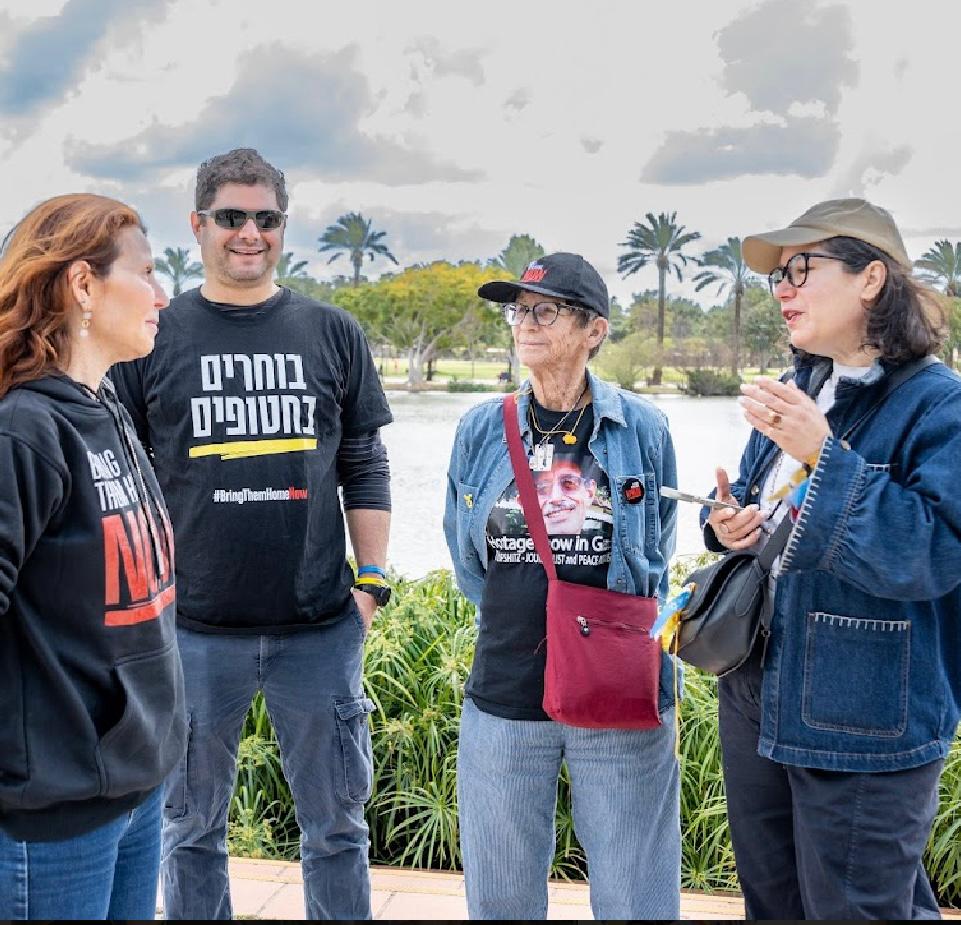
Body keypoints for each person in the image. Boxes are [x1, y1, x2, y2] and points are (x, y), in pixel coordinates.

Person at [111, 148, 394, 920]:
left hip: (319, 631)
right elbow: (123, 479)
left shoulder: (330, 331)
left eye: (265, 219)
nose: (249, 233)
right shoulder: (152, 336)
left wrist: (369, 583)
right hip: (193, 632)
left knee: (336, 828)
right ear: (198, 225)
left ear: (282, 228)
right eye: (232, 217)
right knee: (190, 827)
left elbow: (365, 464)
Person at [703, 198, 961, 919]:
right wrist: (728, 524)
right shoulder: (798, 392)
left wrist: (822, 453)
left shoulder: (939, 407)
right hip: (757, 693)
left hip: (866, 711)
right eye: (777, 276)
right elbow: (770, 516)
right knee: (773, 906)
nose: (782, 288)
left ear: (870, 277)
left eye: (801, 269)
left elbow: (933, 552)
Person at [443, 252, 680, 919]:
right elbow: (467, 556)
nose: (525, 323)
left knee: (635, 895)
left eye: (545, 310)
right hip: (506, 687)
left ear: (593, 330)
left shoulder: (643, 428)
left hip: (617, 685)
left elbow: (654, 551)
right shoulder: (481, 429)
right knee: (501, 896)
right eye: (519, 310)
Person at [0, 194, 184, 919]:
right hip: (52, 815)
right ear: (82, 285)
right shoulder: (23, 431)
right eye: (145, 272)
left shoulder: (107, 410)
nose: (162, 294)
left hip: (135, 791)